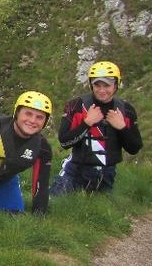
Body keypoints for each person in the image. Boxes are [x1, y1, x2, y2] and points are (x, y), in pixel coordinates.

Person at [51, 61, 143, 195]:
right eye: (97, 85)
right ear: (91, 85)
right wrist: (87, 122)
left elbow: (134, 148)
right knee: (55, 209)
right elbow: (64, 141)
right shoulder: (76, 105)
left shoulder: (126, 110)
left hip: (107, 175)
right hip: (74, 172)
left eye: (107, 85)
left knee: (99, 213)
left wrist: (121, 127)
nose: (101, 90)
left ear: (116, 85)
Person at [0, 91, 54, 233]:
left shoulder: (42, 146)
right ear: (17, 113)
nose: (33, 120)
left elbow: (41, 185)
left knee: (15, 217)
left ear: (45, 122)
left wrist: (39, 220)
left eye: (40, 117)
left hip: (5, 181)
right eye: (28, 114)